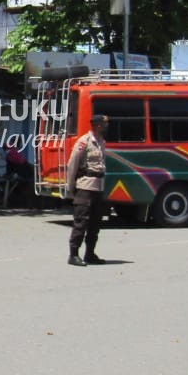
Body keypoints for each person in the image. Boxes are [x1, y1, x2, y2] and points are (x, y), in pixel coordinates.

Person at [65, 113, 108, 266]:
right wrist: (70, 187)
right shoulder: (84, 142)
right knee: (81, 222)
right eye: (104, 124)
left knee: (95, 223)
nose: (106, 126)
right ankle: (73, 255)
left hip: (98, 187)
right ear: (97, 125)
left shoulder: (102, 142)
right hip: (85, 187)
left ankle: (90, 254)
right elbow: (72, 164)